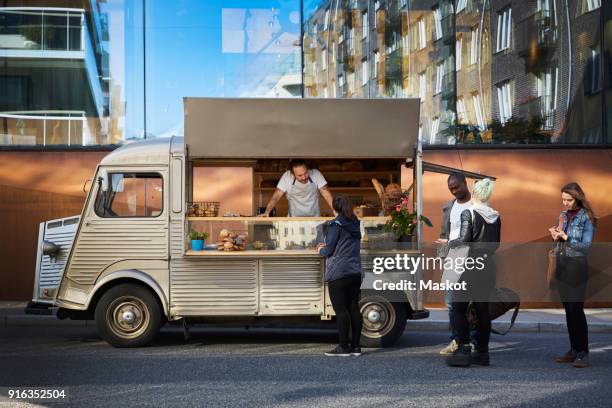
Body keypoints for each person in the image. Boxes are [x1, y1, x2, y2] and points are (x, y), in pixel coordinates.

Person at [446, 178, 501, 367]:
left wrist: (447, 243)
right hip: (488, 265)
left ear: (475, 194)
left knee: (459, 308)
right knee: (482, 310)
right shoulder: (495, 215)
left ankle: (463, 350)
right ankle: (483, 353)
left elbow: (463, 240)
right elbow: (496, 244)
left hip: (468, 265)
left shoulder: (468, 212)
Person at [549, 182, 596, 368]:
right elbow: (560, 240)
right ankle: (573, 350)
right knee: (568, 310)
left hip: (577, 267)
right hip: (562, 265)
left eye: (569, 200)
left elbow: (586, 247)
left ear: (578, 198)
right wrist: (555, 235)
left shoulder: (587, 218)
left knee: (576, 309)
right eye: (563, 200)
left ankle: (582, 352)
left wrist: (566, 238)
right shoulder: (562, 215)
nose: (565, 203)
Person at [317, 195, 363, 357]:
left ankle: (343, 347)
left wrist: (320, 249)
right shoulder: (355, 222)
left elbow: (328, 250)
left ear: (335, 208)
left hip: (339, 272)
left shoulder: (336, 225)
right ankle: (356, 347)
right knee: (353, 308)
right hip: (355, 271)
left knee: (341, 310)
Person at [436, 172, 473, 355]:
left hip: (472, 261)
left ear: (466, 183)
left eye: (457, 187)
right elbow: (444, 234)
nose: (454, 191)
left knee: (471, 304)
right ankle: (456, 339)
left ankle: (471, 340)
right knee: (451, 303)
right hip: (452, 260)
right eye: (451, 189)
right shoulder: (449, 207)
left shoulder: (477, 206)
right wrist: (443, 258)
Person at [262, 159, 334, 217]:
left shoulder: (316, 174)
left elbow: (326, 193)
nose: (304, 177)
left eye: (305, 173)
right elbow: (276, 196)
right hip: (294, 221)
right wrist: (267, 212)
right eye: (300, 175)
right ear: (292, 174)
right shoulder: (287, 176)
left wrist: (335, 211)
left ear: (308, 169)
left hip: (314, 220)